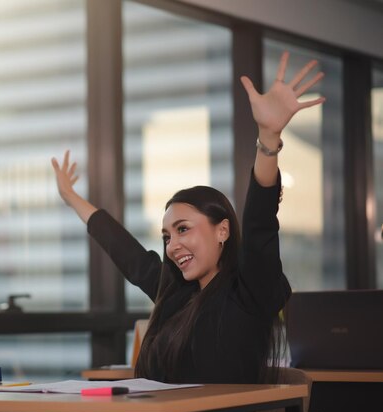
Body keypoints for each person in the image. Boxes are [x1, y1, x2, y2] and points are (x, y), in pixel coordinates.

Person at [51, 51, 325, 385]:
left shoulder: (252, 289)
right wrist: (72, 198)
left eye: (183, 229)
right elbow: (128, 254)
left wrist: (268, 138)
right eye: (167, 236)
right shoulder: (175, 293)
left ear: (222, 230)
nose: (172, 245)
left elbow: (259, 221)